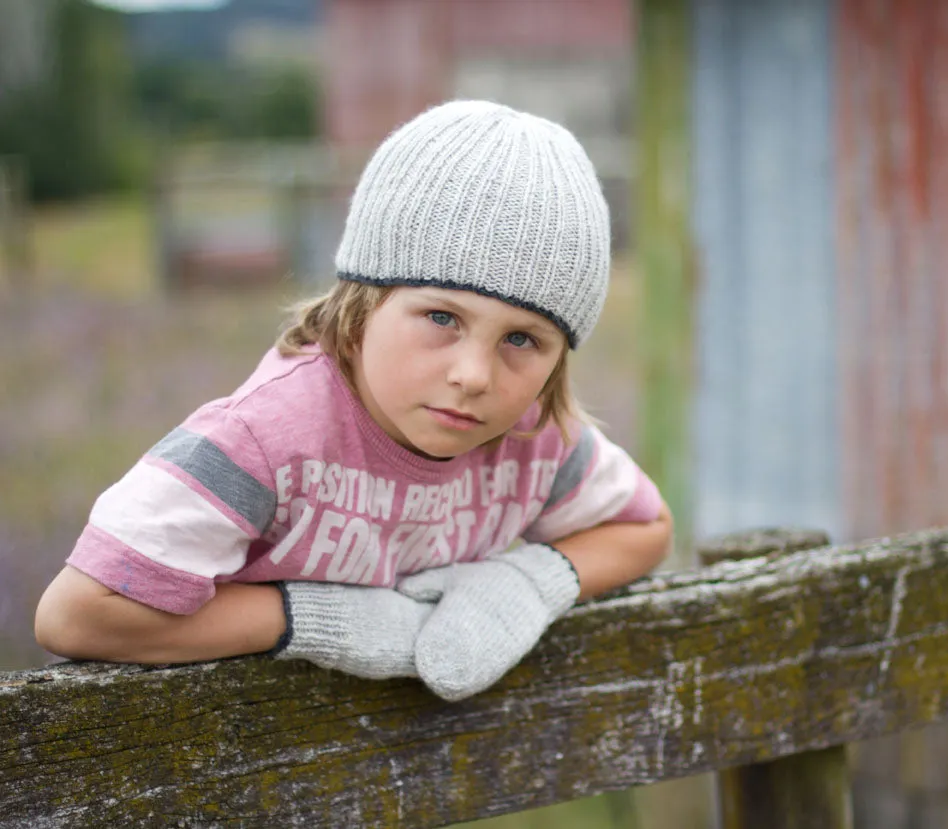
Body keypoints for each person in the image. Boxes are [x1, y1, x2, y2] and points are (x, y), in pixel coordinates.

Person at [33, 100, 672, 702]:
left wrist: (525, 584)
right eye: (442, 317)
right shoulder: (265, 442)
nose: (474, 375)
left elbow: (644, 527)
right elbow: (77, 615)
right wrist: (308, 618)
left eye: (522, 338)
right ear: (364, 301)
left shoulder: (534, 436)